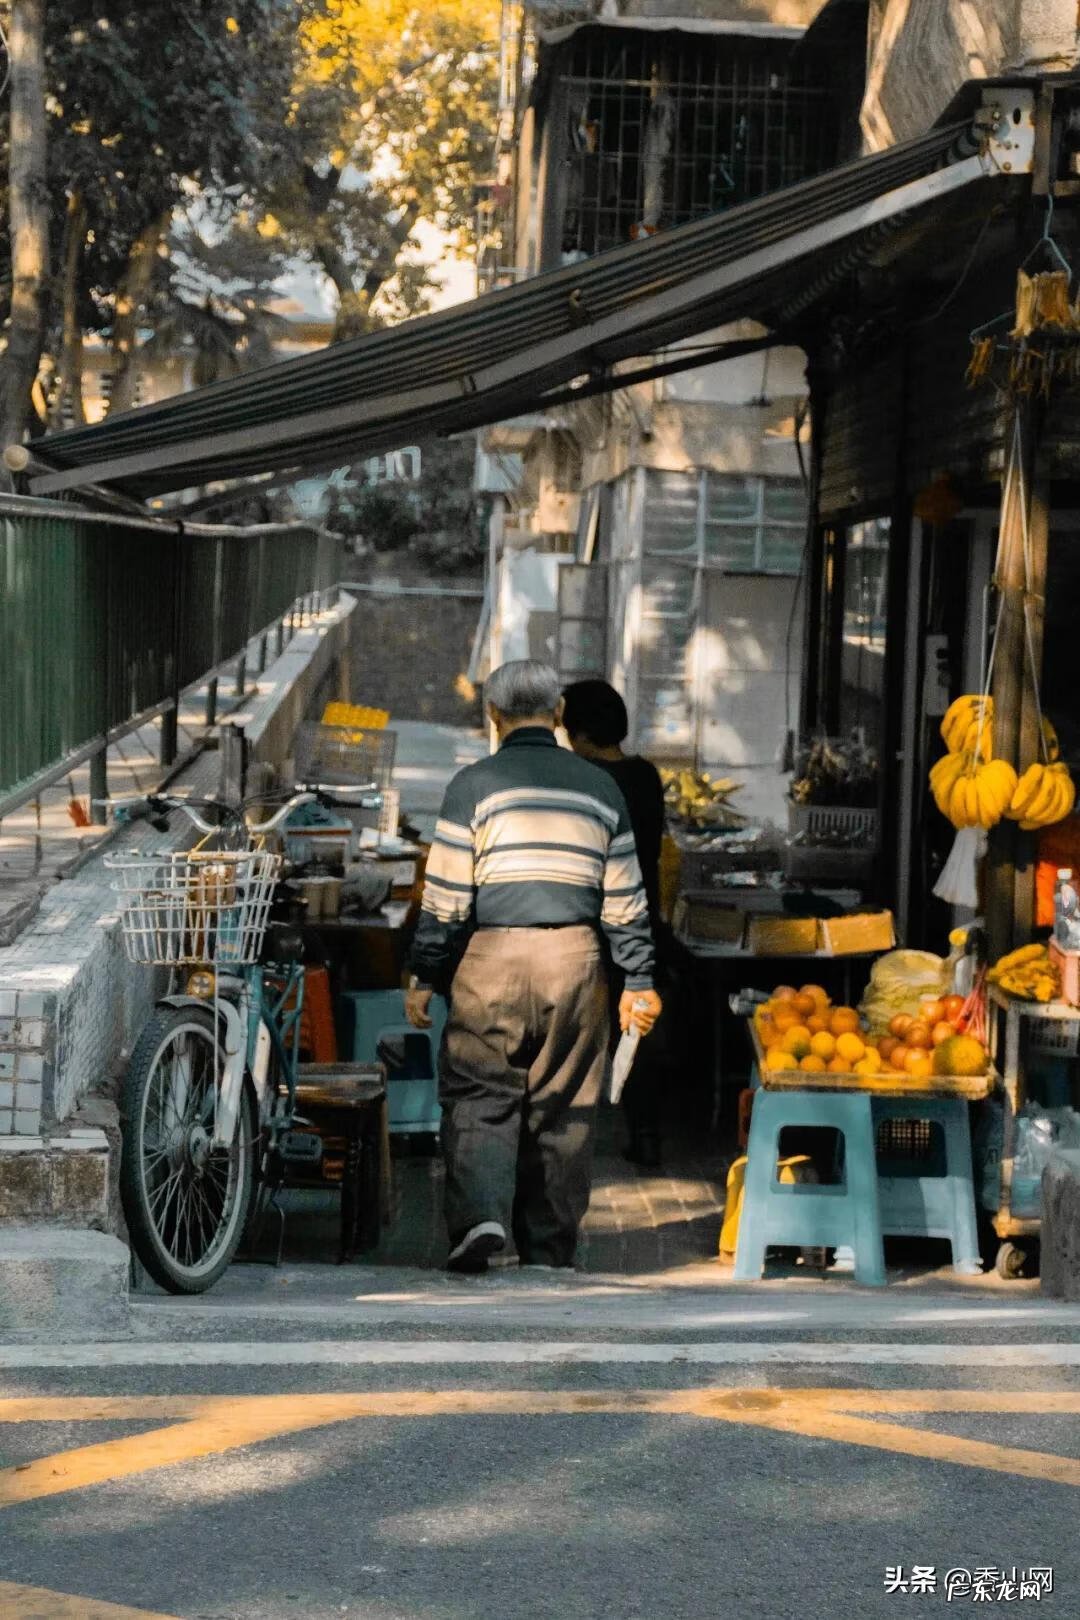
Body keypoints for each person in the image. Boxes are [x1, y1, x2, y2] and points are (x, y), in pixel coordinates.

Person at [405, 660, 662, 1274]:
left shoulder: (473, 785)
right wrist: (640, 980)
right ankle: (549, 1251)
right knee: (564, 1105)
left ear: (493, 716)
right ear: (557, 716)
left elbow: (445, 897)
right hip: (576, 960)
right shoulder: (602, 789)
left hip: (489, 957)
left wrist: (422, 973)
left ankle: (481, 1220)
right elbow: (627, 898)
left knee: (478, 1093)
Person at [562, 679, 668, 1168]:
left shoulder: (580, 777)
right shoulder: (645, 776)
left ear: (579, 731)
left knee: (577, 1028)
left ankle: (565, 1134)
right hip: (641, 917)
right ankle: (646, 1134)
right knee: (638, 1030)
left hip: (588, 920)